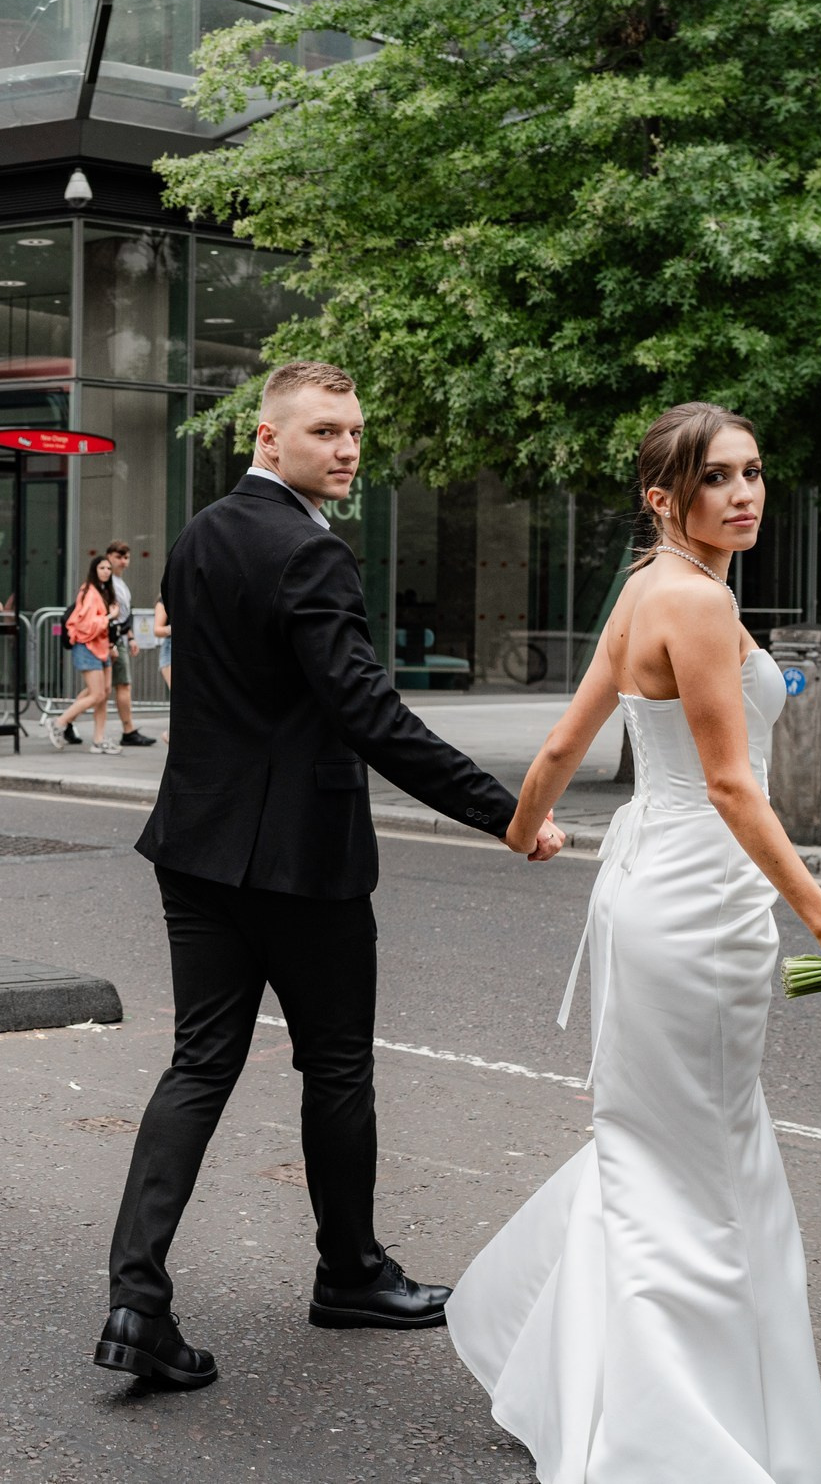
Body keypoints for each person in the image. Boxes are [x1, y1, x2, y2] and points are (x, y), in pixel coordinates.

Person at [448, 404, 821, 1483]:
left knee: (661, 1142)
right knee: (696, 1155)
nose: (745, 494)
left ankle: (600, 1381)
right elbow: (732, 784)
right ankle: (665, 1429)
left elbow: (566, 738)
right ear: (664, 498)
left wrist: (525, 833)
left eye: (753, 473)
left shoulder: (645, 588)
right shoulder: (693, 602)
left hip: (646, 884)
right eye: (719, 480)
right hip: (698, 896)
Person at [95, 360, 565, 1392]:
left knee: (200, 1065)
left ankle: (137, 1298)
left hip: (195, 847)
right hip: (298, 863)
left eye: (353, 431)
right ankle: (348, 1272)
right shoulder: (311, 554)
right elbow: (368, 714)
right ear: (266, 438)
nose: (347, 448)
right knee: (337, 1065)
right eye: (323, 432)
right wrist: (508, 814)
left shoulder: (201, 538)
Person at [48, 555, 120, 754]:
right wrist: (109, 617)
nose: (106, 571)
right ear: (94, 570)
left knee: (103, 693)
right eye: (102, 568)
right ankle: (59, 722)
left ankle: (98, 739)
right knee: (97, 693)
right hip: (87, 647)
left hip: (101, 647)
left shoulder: (103, 591)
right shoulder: (89, 592)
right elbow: (86, 625)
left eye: (108, 568)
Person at [103, 541, 156, 748]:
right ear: (108, 557)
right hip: (112, 639)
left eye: (126, 557)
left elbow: (124, 616)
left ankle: (66, 721)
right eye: (118, 557)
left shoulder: (120, 584)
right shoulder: (107, 584)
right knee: (118, 686)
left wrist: (131, 637)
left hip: (118, 638)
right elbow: (110, 616)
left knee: (101, 690)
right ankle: (128, 730)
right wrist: (112, 642)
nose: (123, 562)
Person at [150, 597, 172, 743]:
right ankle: (170, 734)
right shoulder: (163, 602)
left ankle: (171, 734)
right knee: (180, 695)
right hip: (170, 652)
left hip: (183, 651)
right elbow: (157, 630)